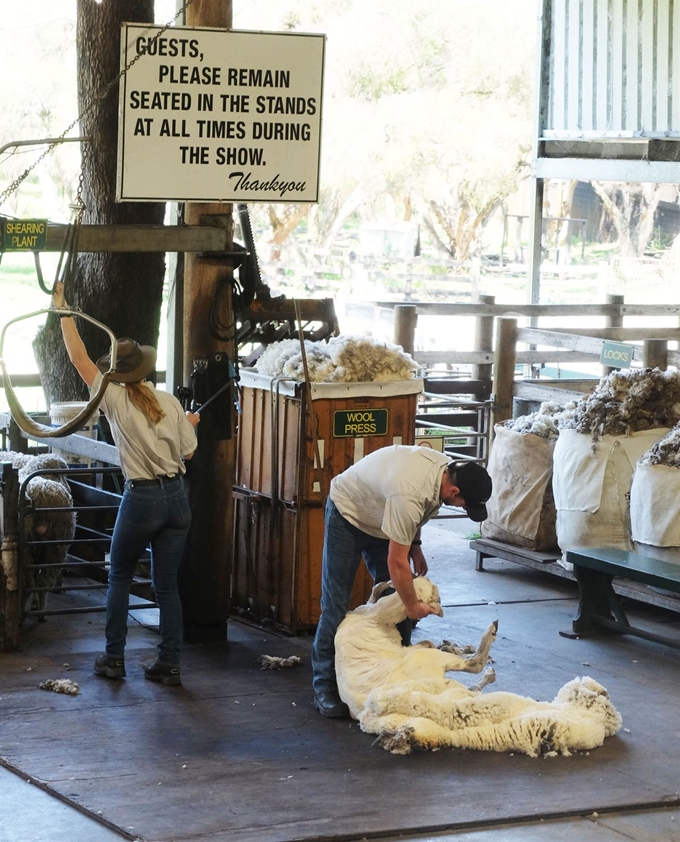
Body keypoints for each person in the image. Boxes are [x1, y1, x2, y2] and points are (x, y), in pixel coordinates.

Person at [52, 282, 200, 687]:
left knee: (118, 575)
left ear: (115, 371)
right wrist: (189, 425)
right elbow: (187, 453)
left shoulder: (113, 399)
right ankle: (169, 663)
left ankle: (113, 659)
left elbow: (79, 358)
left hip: (143, 499)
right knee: (166, 585)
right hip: (177, 499)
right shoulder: (170, 402)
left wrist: (64, 311)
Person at [311, 444, 492, 718]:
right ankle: (324, 686)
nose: (459, 507)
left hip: (385, 517)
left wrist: (416, 545)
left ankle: (398, 671)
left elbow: (416, 515)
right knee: (336, 603)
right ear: (454, 491)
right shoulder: (411, 491)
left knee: (396, 597)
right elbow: (396, 562)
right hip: (348, 514)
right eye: (462, 504)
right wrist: (412, 607)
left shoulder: (442, 473)